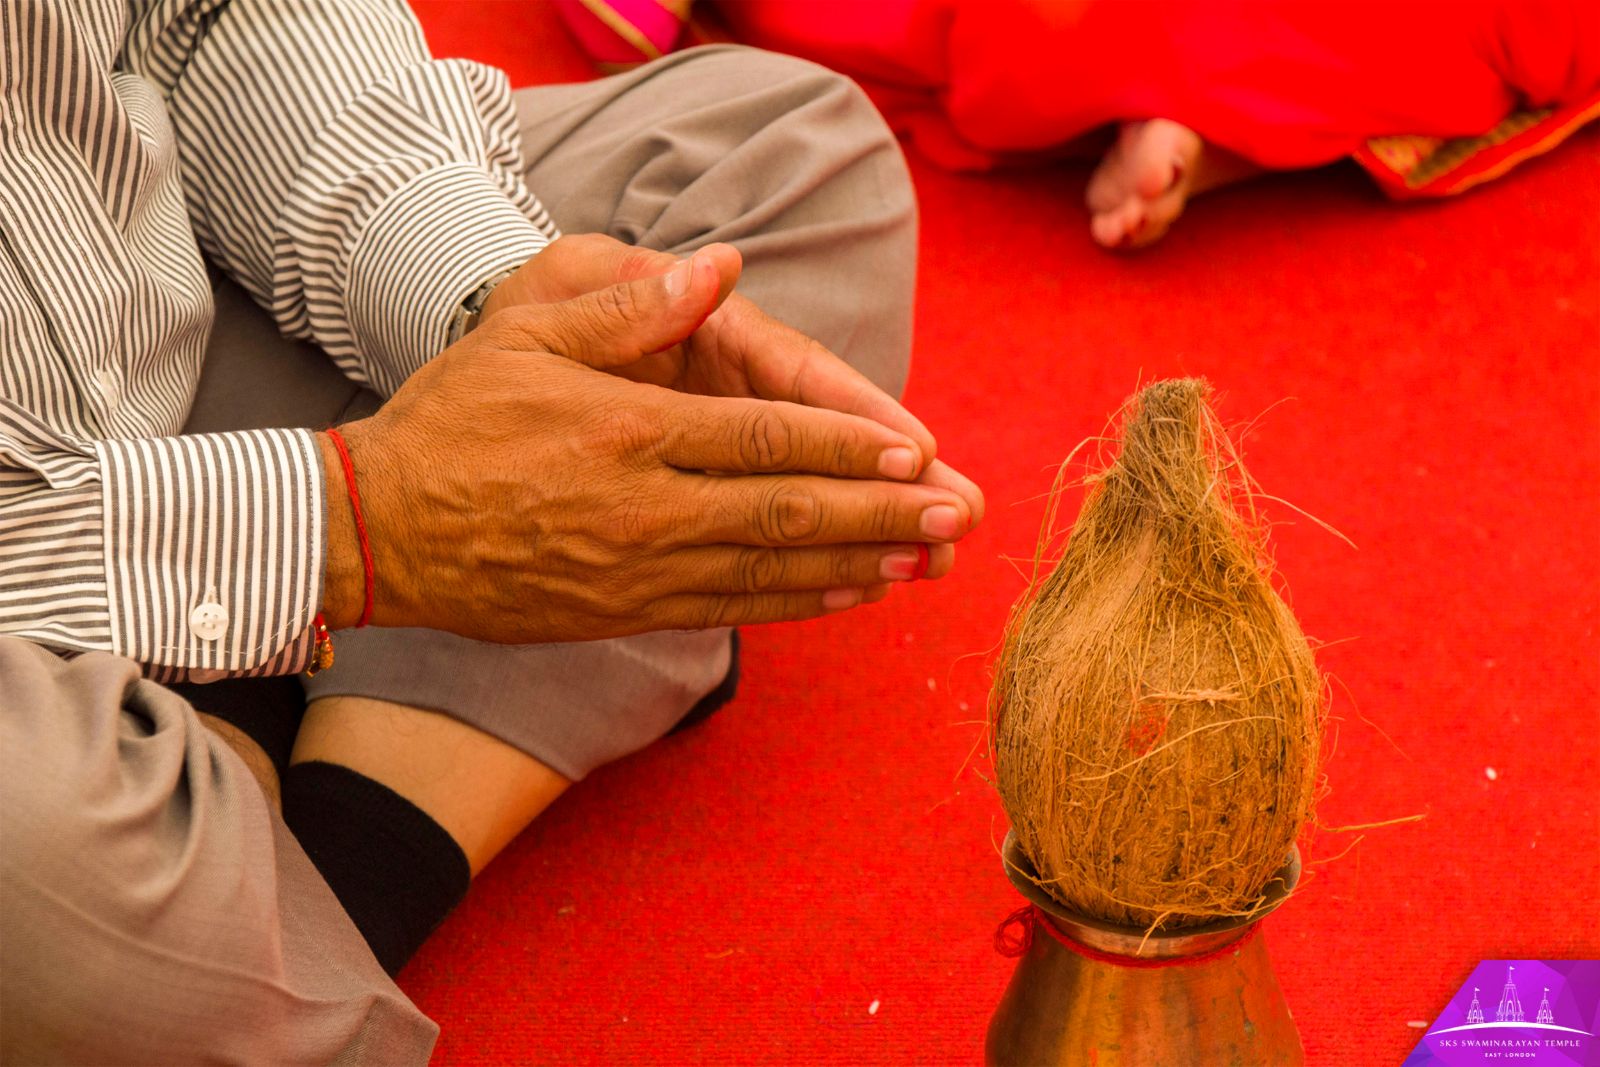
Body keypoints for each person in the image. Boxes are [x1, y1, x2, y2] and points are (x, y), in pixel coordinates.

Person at [0, 2, 982, 1062]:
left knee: (788, 159)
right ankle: (270, 864)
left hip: (155, 336)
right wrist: (351, 529)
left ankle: (241, 838)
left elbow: (208, 19)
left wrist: (491, 298)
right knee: (46, 863)